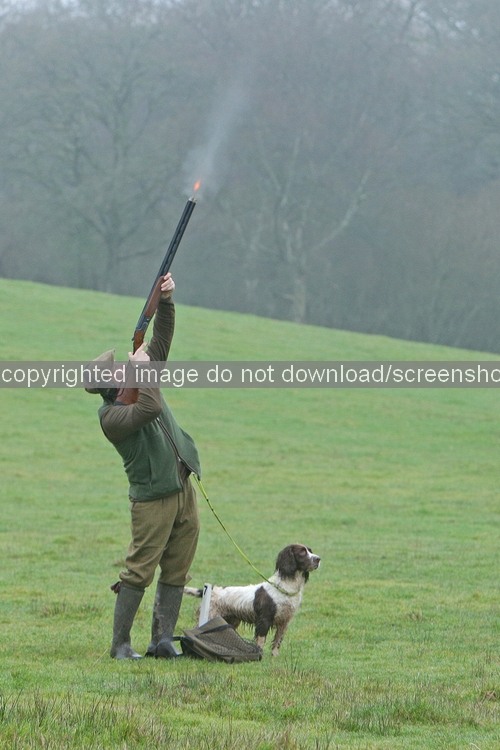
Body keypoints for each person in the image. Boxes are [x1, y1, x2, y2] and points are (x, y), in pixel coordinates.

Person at [87, 273, 201, 659]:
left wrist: (165, 301)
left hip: (181, 485)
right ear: (111, 387)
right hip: (152, 499)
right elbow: (150, 407)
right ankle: (120, 645)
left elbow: (162, 342)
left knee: (178, 566)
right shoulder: (112, 418)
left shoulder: (138, 384)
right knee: (139, 570)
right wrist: (142, 369)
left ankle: (162, 640)